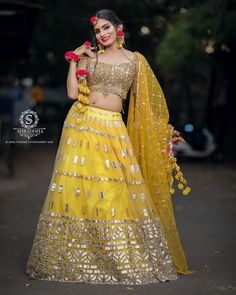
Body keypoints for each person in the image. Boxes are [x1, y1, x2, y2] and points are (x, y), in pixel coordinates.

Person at [26, 9, 193, 285]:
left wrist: (166, 131)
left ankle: (116, 257)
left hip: (112, 128)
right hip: (81, 125)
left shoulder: (135, 60)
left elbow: (146, 105)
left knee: (115, 190)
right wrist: (74, 60)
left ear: (119, 28)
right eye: (98, 31)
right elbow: (72, 94)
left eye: (106, 28)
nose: (102, 34)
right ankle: (74, 258)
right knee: (79, 192)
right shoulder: (91, 59)